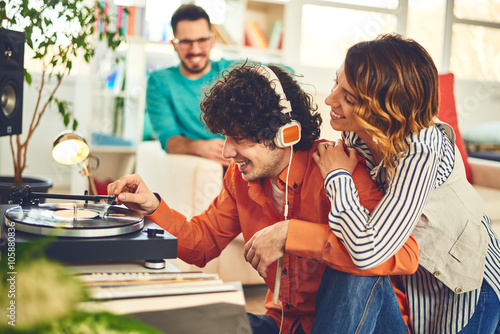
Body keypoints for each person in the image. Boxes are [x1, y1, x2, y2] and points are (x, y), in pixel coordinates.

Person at [109, 63, 419, 333]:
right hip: (285, 324)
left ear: (284, 133)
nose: (228, 152)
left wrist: (292, 235)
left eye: (239, 139)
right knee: (195, 320)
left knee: (354, 270)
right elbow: (201, 244)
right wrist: (153, 206)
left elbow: (404, 254)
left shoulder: (341, 169)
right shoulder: (240, 178)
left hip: (366, 324)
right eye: (226, 138)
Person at [313, 33, 500, 334]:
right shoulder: (357, 132)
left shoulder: (422, 149)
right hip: (418, 281)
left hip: (468, 287)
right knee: (352, 269)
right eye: (336, 83)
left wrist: (337, 177)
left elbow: (368, 249)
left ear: (385, 109)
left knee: (359, 261)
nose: (330, 100)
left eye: (348, 98)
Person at [145, 4, 235, 166]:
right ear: (174, 44)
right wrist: (201, 147)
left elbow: (284, 72)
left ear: (212, 40)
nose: (195, 50)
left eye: (202, 40)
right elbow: (169, 140)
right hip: (207, 167)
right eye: (186, 42)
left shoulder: (230, 70)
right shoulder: (159, 81)